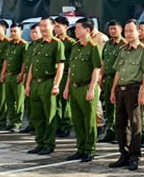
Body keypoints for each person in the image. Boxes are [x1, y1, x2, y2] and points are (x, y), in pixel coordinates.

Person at [108, 20, 144, 171]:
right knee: (120, 124)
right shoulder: (122, 50)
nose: (128, 34)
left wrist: (143, 91)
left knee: (135, 124)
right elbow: (118, 71)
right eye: (126, 31)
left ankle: (135, 156)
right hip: (121, 90)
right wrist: (113, 90)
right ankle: (124, 154)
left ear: (138, 32)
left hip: (134, 89)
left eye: (131, 31)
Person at [25, 18, 65, 155]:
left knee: (49, 115)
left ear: (53, 27)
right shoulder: (37, 44)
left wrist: (56, 85)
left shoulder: (56, 44)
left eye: (45, 26)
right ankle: (40, 142)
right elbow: (32, 66)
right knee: (37, 115)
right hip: (36, 82)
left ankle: (49, 143)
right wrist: (28, 84)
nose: (42, 28)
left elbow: (60, 65)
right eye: (41, 26)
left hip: (48, 82)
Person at [64, 17, 102, 162]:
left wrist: (92, 89)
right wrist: (67, 87)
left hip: (86, 86)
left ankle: (89, 149)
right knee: (77, 120)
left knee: (89, 120)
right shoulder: (75, 47)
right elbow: (71, 69)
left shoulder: (93, 47)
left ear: (87, 30)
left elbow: (96, 69)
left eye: (78, 28)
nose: (75, 31)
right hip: (75, 87)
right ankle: (80, 148)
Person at [99, 21, 125, 143]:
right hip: (108, 78)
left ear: (121, 29)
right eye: (110, 29)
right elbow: (104, 62)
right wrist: (101, 77)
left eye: (115, 29)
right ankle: (110, 132)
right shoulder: (108, 44)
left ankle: (118, 133)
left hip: (119, 79)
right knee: (108, 107)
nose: (112, 31)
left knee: (118, 107)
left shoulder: (124, 44)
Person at [53, 16, 76, 138]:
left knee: (64, 102)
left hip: (65, 73)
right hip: (53, 74)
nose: (56, 29)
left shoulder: (70, 42)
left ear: (65, 27)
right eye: (55, 26)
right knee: (55, 102)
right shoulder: (53, 41)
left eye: (58, 26)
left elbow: (72, 61)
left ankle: (66, 125)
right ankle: (57, 124)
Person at [3, 24, 28, 132]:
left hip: (17, 75)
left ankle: (17, 123)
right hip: (9, 75)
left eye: (15, 31)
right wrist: (3, 73)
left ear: (21, 32)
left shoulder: (23, 45)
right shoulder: (9, 44)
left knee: (18, 101)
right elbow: (6, 60)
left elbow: (25, 61)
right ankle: (11, 121)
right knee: (9, 100)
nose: (13, 34)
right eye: (11, 31)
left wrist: (22, 74)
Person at [18, 24, 43, 133]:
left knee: (39, 106)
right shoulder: (31, 46)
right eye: (31, 33)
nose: (33, 35)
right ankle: (31, 123)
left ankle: (38, 127)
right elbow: (26, 62)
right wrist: (23, 74)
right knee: (29, 103)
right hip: (29, 77)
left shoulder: (42, 45)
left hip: (39, 78)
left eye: (35, 32)